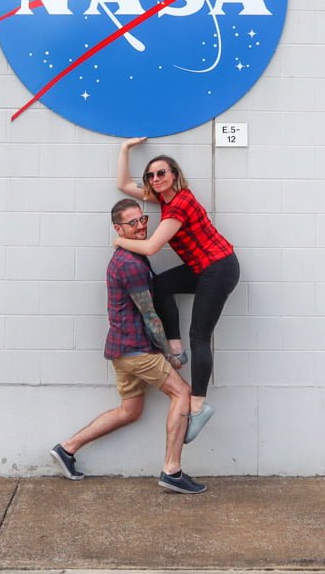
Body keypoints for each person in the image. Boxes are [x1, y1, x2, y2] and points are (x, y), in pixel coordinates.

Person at [49, 198, 207, 494]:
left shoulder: (130, 256)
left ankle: (67, 449)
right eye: (132, 223)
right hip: (138, 351)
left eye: (143, 220)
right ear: (118, 228)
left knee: (129, 410)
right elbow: (149, 315)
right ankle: (172, 469)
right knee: (183, 393)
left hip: (122, 351)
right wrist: (170, 354)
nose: (141, 227)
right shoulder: (130, 263)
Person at [114, 137, 240, 445]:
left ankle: (198, 406)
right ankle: (175, 347)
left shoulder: (179, 204)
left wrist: (119, 241)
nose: (155, 179)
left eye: (161, 173)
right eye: (151, 176)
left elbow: (151, 246)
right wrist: (124, 149)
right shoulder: (167, 200)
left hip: (219, 268)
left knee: (200, 334)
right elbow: (123, 185)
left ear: (174, 175)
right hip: (204, 267)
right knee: (161, 285)